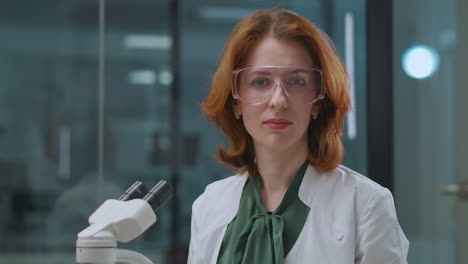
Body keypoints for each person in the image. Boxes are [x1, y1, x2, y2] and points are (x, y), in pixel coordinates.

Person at [188, 7, 409, 264]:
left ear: (318, 100)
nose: (278, 101)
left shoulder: (365, 203)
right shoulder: (209, 204)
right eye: (260, 82)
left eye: (296, 82)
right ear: (236, 101)